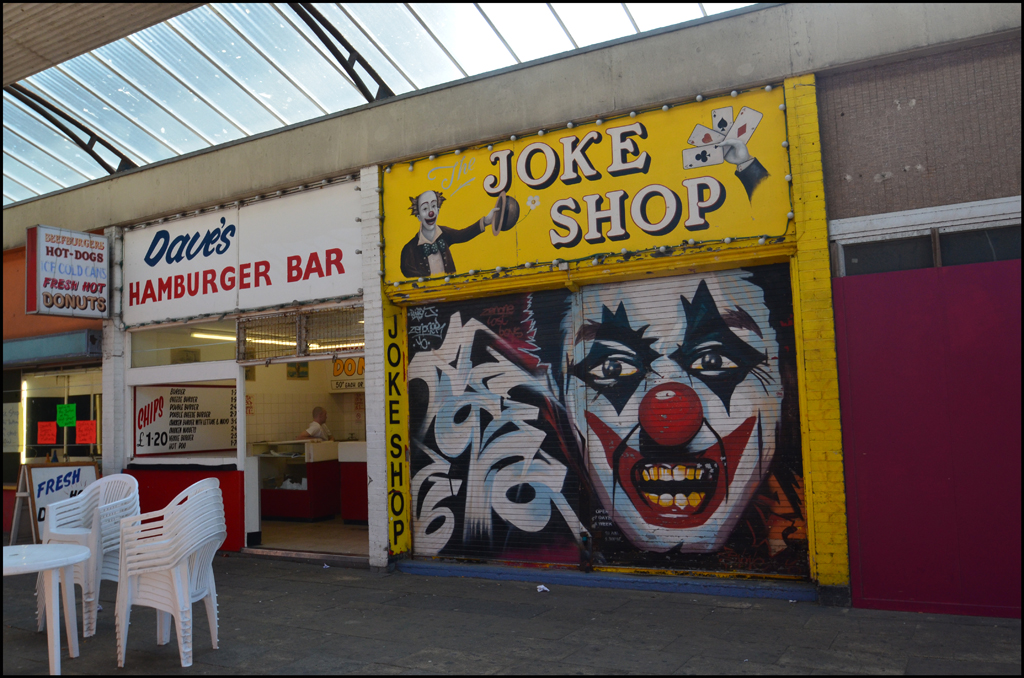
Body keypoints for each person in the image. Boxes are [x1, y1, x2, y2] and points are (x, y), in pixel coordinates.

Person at [399, 190, 517, 278]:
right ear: (419, 216)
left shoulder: (444, 233)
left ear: (438, 211)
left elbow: (463, 234)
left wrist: (486, 221)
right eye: (425, 208)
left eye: (434, 206)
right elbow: (408, 274)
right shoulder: (409, 249)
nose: (431, 212)